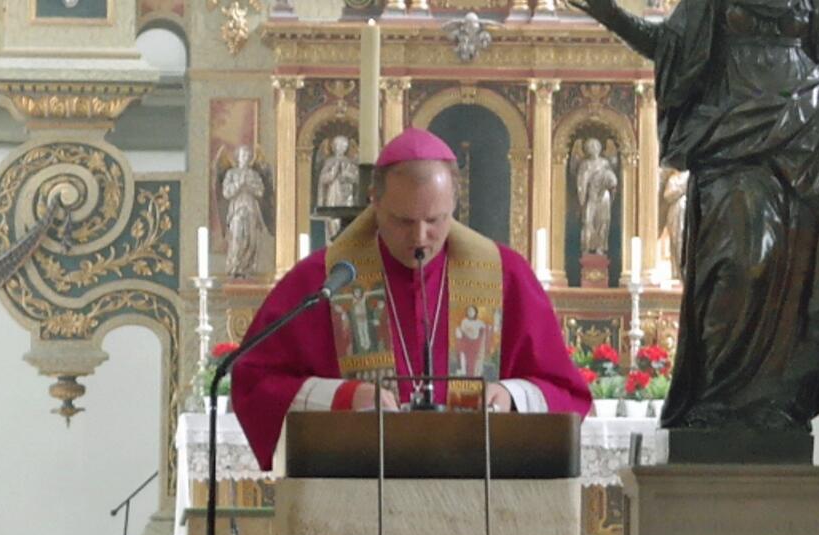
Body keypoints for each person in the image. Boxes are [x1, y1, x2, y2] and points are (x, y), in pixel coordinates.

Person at [570, 0, 819, 434]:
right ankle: (716, 399)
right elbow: (668, 45)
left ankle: (771, 403)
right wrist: (611, 15)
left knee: (795, 281)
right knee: (738, 263)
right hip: (733, 134)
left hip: (812, 137)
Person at [231, 128, 590, 471]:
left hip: (477, 498)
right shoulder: (327, 279)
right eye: (402, 221)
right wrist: (345, 398)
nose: (420, 237)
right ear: (375, 202)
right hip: (357, 498)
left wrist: (509, 397)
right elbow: (254, 384)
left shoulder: (504, 276)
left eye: (435, 219)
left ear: (454, 203)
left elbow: (566, 392)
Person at [223, 145, 266, 279]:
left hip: (251, 207)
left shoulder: (254, 174)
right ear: (238, 158)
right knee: (237, 238)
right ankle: (235, 267)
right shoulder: (231, 174)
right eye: (243, 155)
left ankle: (247, 268)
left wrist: (250, 186)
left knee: (251, 239)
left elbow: (260, 191)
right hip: (237, 208)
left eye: (248, 156)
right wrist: (238, 185)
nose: (245, 158)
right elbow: (226, 193)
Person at [575, 137, 617, 257]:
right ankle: (587, 248)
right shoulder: (585, 164)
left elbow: (612, 179)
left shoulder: (605, 163)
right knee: (588, 222)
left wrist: (609, 180)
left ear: (599, 148)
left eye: (595, 146)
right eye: (590, 146)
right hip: (590, 196)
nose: (593, 149)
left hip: (603, 197)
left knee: (603, 221)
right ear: (587, 150)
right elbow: (580, 182)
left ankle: (600, 247)